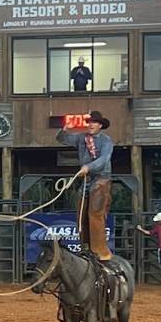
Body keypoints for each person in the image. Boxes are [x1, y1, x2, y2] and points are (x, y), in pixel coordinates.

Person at [57, 110, 113, 262]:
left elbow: (104, 159)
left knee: (95, 214)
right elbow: (62, 139)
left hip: (101, 178)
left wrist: (88, 167)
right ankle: (86, 248)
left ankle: (101, 251)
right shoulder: (82, 138)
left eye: (94, 122)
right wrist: (65, 129)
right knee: (81, 214)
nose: (91, 125)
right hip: (87, 180)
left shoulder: (106, 141)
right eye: (89, 122)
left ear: (100, 125)